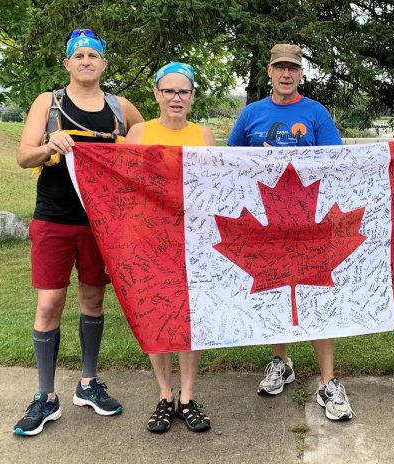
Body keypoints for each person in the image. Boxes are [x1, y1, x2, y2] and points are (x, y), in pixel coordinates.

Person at [13, 28, 143, 436]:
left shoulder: (120, 108)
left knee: (93, 301)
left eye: (94, 55)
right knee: (49, 305)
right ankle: (45, 397)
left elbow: (147, 141)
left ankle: (88, 384)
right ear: (67, 63)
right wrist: (50, 145)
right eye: (79, 55)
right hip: (53, 218)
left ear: (104, 64)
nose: (86, 60)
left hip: (100, 222)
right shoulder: (48, 103)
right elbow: (23, 156)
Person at [227, 44, 353, 421]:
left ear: (300, 74)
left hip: (310, 227)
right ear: (269, 71)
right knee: (274, 295)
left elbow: (338, 164)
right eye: (280, 68)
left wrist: (297, 161)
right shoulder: (251, 113)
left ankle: (328, 382)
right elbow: (229, 164)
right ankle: (281, 362)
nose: (286, 74)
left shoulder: (315, 112)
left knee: (317, 297)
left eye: (293, 69)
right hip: (268, 228)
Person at [124, 62, 216, 434]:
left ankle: (188, 397)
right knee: (156, 316)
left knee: (190, 318)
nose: (176, 98)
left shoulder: (204, 134)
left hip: (192, 241)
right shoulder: (139, 132)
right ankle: (164, 396)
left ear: (192, 97)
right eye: (169, 91)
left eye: (184, 92)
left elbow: (215, 188)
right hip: (148, 241)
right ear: (157, 94)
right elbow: (124, 188)